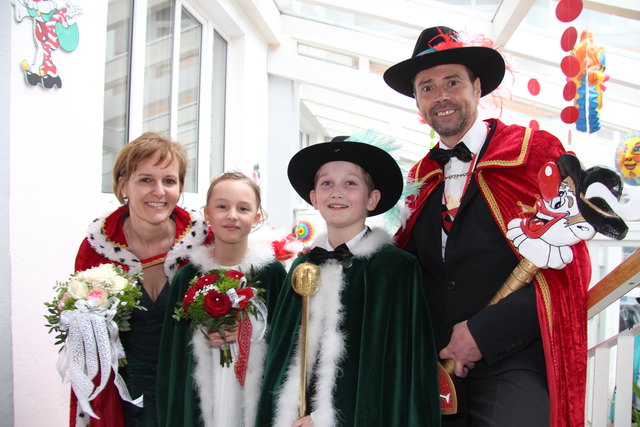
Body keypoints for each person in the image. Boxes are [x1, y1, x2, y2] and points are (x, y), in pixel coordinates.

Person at [383, 26, 592, 427]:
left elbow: (568, 265)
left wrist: (483, 333)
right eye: (427, 87)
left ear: (477, 88)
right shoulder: (418, 180)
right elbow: (407, 276)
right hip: (434, 369)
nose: (440, 95)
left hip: (512, 359)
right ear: (418, 102)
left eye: (452, 82)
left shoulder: (534, 154)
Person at [255, 133, 441, 427]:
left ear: (372, 198)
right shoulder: (302, 266)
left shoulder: (396, 269)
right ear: (314, 198)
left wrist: (324, 419)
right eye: (326, 183)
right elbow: (282, 356)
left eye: (351, 183)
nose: (337, 192)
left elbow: (394, 367)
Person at [70, 132, 209, 427]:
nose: (159, 191)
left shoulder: (204, 243)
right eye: (146, 179)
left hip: (192, 391)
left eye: (169, 181)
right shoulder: (96, 248)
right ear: (123, 185)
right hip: (125, 395)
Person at [156, 171, 286, 427]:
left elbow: (284, 340)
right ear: (207, 213)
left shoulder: (272, 273)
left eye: (243, 208)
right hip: (206, 387)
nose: (232, 215)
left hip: (250, 390)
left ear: (257, 217)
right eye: (222, 206)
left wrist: (251, 330)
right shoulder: (188, 275)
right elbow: (175, 351)